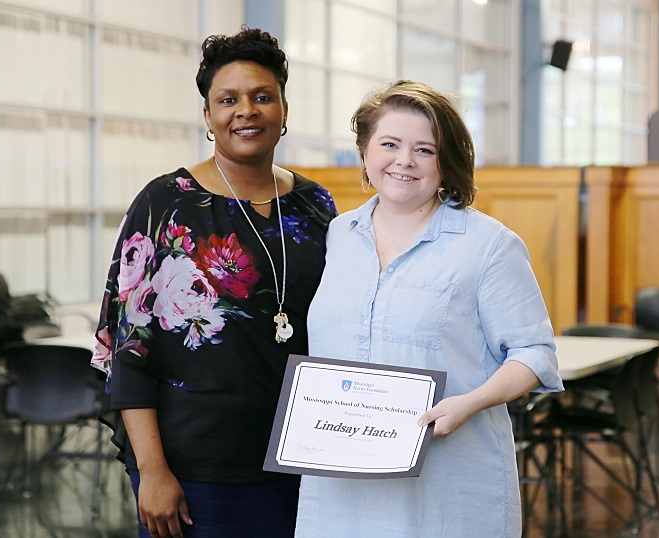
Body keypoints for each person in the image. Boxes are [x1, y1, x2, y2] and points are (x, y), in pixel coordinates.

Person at [91, 27, 337, 538]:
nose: (246, 110)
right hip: (193, 468)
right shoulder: (165, 203)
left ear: (285, 111)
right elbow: (129, 350)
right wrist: (153, 472)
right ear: (208, 117)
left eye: (262, 97)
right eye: (228, 100)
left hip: (301, 458)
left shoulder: (317, 205)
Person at [294, 80, 564, 537]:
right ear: (364, 150)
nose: (404, 161)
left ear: (448, 162)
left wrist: (470, 403)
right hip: (339, 487)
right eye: (390, 144)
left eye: (425, 149)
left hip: (446, 486)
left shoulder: (489, 246)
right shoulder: (339, 235)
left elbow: (534, 354)